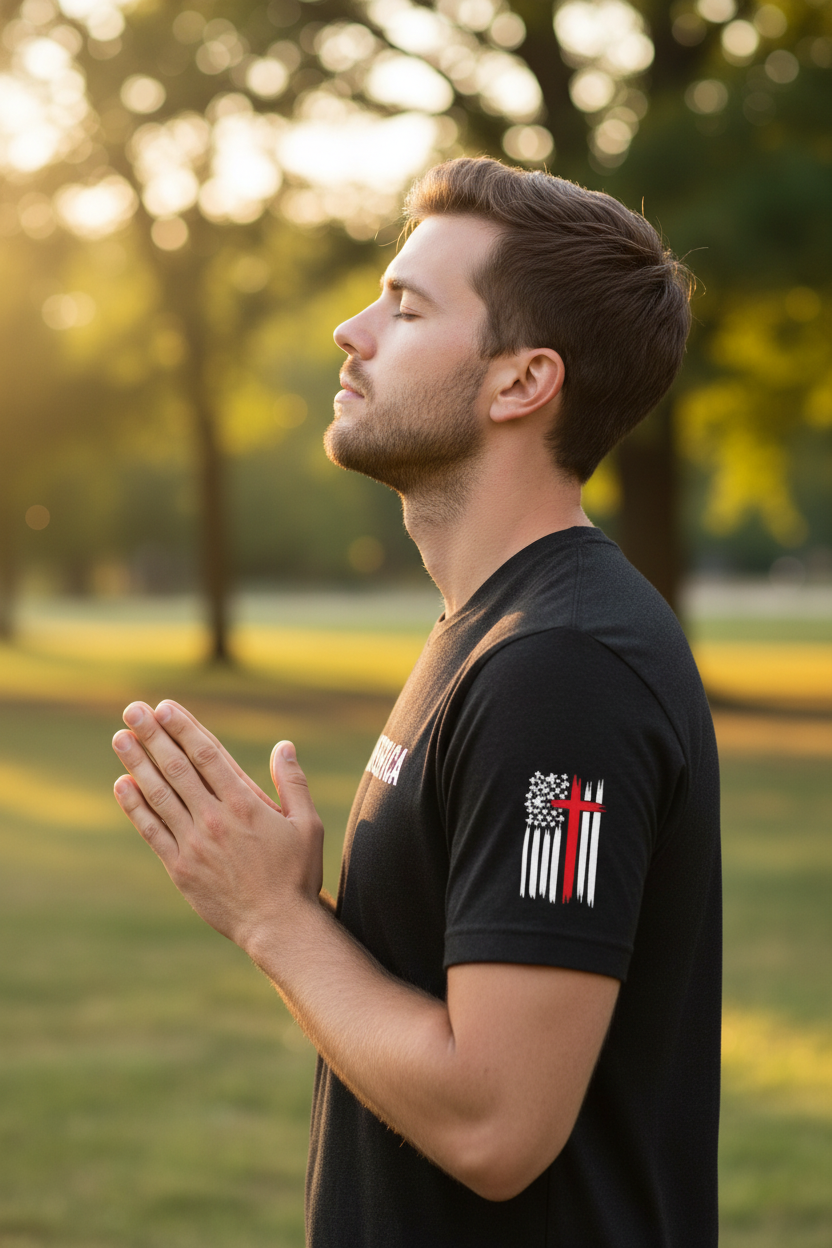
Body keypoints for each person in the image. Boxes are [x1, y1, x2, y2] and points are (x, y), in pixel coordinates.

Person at [112, 157, 721, 1247]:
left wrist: (271, 919)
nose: (350, 330)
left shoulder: (565, 668)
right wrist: (303, 927)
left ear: (520, 383)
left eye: (404, 306)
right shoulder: (491, 628)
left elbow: (496, 1124)